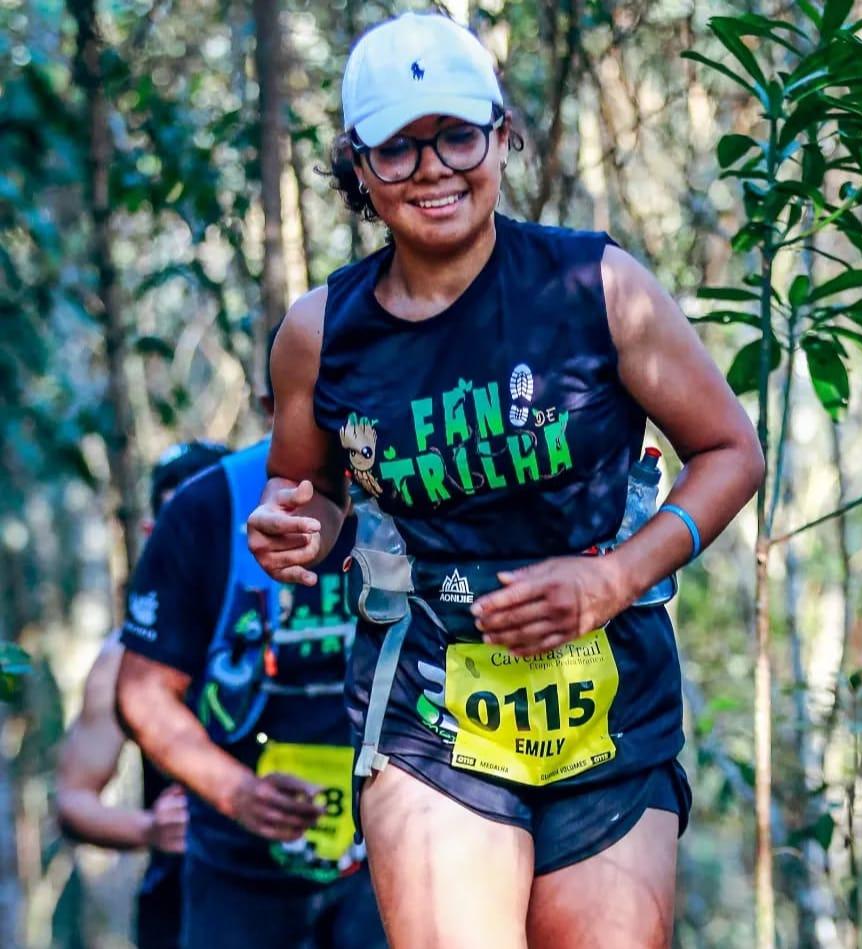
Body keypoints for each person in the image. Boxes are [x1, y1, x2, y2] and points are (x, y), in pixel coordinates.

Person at [248, 11, 764, 949]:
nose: (434, 169)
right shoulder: (320, 333)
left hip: (609, 708)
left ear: (500, 135)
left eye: (454, 135)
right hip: (430, 705)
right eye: (397, 149)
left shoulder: (596, 285)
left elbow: (732, 451)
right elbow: (313, 508)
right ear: (358, 169)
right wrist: (300, 533)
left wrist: (613, 578)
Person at [115, 386, 386, 949]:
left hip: (394, 847)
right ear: (273, 405)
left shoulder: (427, 482)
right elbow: (144, 693)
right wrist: (237, 792)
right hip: (238, 863)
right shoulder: (205, 508)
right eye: (319, 400)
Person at [57, 440, 229, 949]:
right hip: (178, 911)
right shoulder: (122, 657)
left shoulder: (305, 626)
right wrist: (149, 828)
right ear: (156, 532)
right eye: (184, 521)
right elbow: (72, 800)